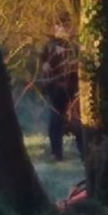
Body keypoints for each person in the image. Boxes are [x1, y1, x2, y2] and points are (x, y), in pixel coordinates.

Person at [39, 24, 82, 161]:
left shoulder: (75, 44)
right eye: (58, 28)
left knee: (78, 119)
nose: (61, 31)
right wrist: (45, 65)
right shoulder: (51, 45)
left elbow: (78, 63)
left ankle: (83, 151)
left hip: (74, 87)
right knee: (56, 119)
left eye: (63, 27)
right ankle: (56, 152)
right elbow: (44, 61)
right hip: (56, 88)